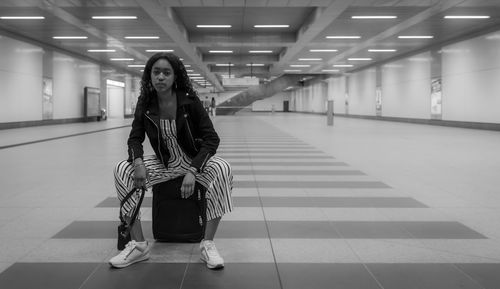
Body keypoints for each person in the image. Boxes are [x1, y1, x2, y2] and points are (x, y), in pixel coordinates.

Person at [109, 52, 233, 270]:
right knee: (121, 169)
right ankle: (138, 245)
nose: (160, 77)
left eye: (166, 72)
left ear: (175, 76)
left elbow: (212, 139)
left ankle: (208, 244)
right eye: (156, 72)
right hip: (165, 164)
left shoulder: (189, 101)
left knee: (223, 168)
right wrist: (138, 163)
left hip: (194, 163)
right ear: (150, 75)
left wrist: (193, 170)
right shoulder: (145, 102)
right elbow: (135, 137)